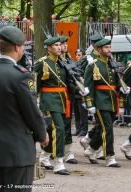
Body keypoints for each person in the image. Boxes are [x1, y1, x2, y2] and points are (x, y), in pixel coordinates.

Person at [0, 26, 48, 190]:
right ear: (17, 47)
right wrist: (42, 135)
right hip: (18, 150)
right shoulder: (20, 75)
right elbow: (32, 112)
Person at [34, 36, 85, 175]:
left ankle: (44, 158)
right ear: (48, 48)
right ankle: (59, 162)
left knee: (52, 131)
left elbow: (68, 84)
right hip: (49, 100)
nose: (58, 47)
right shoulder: (41, 63)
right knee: (59, 129)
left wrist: (79, 90)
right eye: (55, 45)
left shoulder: (63, 63)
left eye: (59, 45)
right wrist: (36, 100)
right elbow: (34, 84)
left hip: (63, 100)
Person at [83, 38, 130, 167]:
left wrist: (123, 89)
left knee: (101, 128)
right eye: (106, 48)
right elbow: (88, 87)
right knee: (108, 129)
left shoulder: (112, 64)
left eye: (109, 47)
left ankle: (90, 149)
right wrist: (89, 104)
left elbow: (115, 82)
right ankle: (110, 156)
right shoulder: (93, 65)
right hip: (100, 101)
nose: (109, 49)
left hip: (111, 101)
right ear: (99, 49)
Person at [80, 33, 105, 160]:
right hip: (94, 94)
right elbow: (83, 77)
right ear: (94, 44)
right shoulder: (88, 58)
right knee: (101, 123)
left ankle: (88, 139)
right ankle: (97, 149)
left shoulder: (105, 58)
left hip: (105, 95)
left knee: (102, 123)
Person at [59, 35, 79, 164]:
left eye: (66, 44)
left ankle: (68, 152)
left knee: (67, 125)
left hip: (68, 97)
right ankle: (52, 149)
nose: (65, 46)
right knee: (54, 126)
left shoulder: (69, 60)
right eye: (62, 44)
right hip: (55, 97)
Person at [73, 49, 88, 136]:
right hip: (75, 92)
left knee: (83, 112)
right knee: (76, 112)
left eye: (79, 55)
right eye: (77, 55)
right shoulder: (74, 65)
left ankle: (83, 129)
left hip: (82, 91)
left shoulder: (85, 66)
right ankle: (78, 129)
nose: (77, 57)